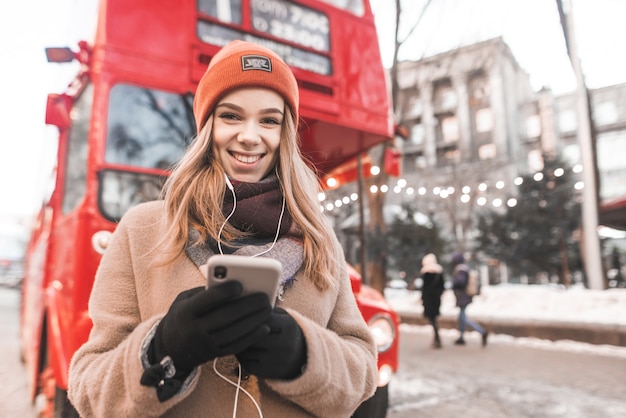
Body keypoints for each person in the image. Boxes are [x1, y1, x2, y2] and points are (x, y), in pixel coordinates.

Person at [68, 40, 378, 417]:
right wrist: (162, 349)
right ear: (207, 125)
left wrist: (304, 355)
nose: (250, 136)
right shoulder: (142, 229)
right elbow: (87, 388)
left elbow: (363, 370)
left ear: (285, 133)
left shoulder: (318, 236)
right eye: (231, 116)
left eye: (269, 120)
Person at [451, 252, 488, 347]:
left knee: (463, 317)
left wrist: (454, 285)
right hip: (465, 296)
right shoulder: (465, 268)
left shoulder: (460, 270)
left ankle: (481, 331)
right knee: (461, 317)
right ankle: (462, 337)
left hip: (463, 296)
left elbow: (460, 282)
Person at [420, 253, 445, 348]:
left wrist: (423, 298)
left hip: (429, 299)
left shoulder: (426, 273)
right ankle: (436, 338)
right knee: (434, 319)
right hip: (436, 299)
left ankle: (437, 339)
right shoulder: (439, 272)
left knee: (432, 319)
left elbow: (425, 288)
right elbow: (442, 287)